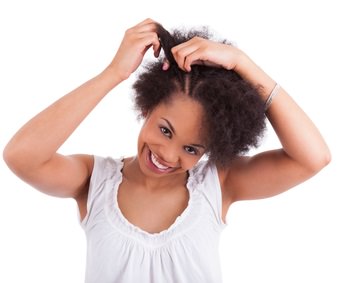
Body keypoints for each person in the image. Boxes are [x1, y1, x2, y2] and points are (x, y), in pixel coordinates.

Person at [3, 18, 331, 283]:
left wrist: (243, 63)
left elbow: (313, 157)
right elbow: (21, 156)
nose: (169, 156)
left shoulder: (217, 186)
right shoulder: (94, 181)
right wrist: (114, 73)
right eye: (164, 130)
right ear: (146, 106)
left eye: (191, 147)